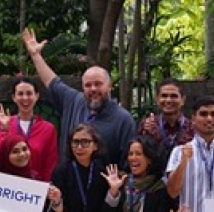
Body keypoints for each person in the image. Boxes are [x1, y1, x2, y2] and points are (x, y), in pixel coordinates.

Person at [21, 28, 136, 165]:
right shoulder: (74, 101)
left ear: (110, 86)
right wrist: (35, 55)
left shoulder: (123, 120)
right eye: (88, 85)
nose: (93, 89)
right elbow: (51, 81)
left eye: (98, 84)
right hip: (68, 182)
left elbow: (128, 164)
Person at [0, 78, 58, 182]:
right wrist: (4, 130)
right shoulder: (2, 123)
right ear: (14, 97)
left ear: (37, 96)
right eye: (20, 94)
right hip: (7, 185)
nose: (25, 98)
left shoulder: (48, 129)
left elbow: (50, 163)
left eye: (29, 93)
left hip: (35, 187)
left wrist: (44, 189)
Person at [139, 78, 195, 164]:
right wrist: (147, 135)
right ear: (157, 100)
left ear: (183, 100)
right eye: (164, 96)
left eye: (174, 96)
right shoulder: (148, 126)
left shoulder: (193, 129)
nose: (168, 100)